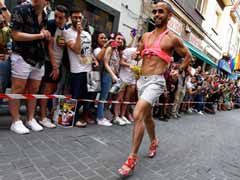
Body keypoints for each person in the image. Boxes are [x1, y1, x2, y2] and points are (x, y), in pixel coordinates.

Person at [118, 0, 192, 177]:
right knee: (147, 117)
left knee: (137, 114)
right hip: (141, 81)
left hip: (156, 82)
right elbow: (140, 54)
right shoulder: (145, 36)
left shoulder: (172, 38)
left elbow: (188, 57)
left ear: (169, 15)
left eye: (161, 11)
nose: (157, 14)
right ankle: (154, 141)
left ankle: (131, 158)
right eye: (155, 11)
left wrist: (178, 70)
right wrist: (137, 55)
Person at [9, 0, 51, 134]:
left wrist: (45, 32)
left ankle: (30, 119)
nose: (46, 4)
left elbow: (42, 29)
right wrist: (39, 35)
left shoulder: (44, 13)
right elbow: (15, 35)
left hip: (38, 57)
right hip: (22, 55)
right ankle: (15, 121)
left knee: (34, 90)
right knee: (18, 89)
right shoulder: (20, 9)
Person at [64, 7, 98, 127]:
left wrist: (94, 60)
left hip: (89, 69)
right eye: (75, 17)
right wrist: (78, 33)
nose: (78, 19)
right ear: (70, 19)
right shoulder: (67, 32)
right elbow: (77, 49)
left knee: (89, 96)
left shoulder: (87, 33)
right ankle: (70, 119)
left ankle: (83, 117)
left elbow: (88, 50)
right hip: (76, 70)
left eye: (80, 17)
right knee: (76, 96)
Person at [39, 5, 69, 128]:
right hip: (49, 62)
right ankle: (42, 117)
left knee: (52, 90)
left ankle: (46, 114)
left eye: (60, 18)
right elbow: (50, 47)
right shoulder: (51, 25)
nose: (57, 19)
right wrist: (54, 66)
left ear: (66, 19)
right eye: (56, 16)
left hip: (60, 64)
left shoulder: (67, 29)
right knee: (47, 90)